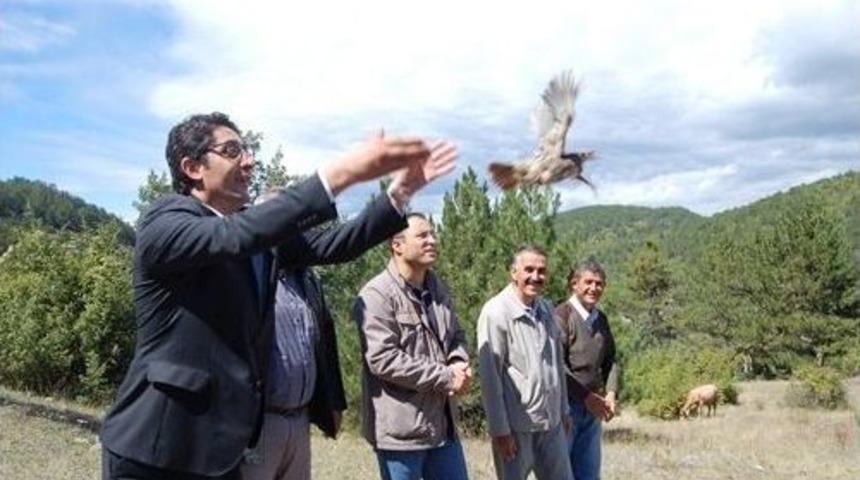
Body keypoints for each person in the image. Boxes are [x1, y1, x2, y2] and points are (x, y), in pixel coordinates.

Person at [100, 111, 457, 480]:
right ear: (192, 167)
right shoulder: (164, 222)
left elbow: (337, 244)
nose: (250, 160)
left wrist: (398, 195)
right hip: (156, 450)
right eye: (233, 150)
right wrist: (340, 175)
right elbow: (234, 236)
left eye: (248, 149)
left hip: (221, 454)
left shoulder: (260, 242)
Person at [240, 187, 413, 480]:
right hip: (258, 424)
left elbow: (323, 342)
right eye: (283, 219)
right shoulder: (247, 275)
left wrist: (333, 402)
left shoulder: (306, 279)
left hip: (299, 421)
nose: (294, 229)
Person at [353, 213, 472, 480]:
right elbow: (383, 359)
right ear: (397, 245)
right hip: (402, 434)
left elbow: (457, 335)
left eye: (433, 234)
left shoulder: (437, 288)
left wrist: (457, 362)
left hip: (443, 428)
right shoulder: (376, 295)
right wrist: (446, 377)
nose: (433, 240)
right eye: (423, 235)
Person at [477, 245, 572, 480]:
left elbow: (557, 366)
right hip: (516, 427)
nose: (535, 277)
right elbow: (490, 377)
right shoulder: (496, 312)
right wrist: (500, 430)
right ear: (513, 272)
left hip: (551, 425)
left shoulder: (547, 310)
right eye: (528, 269)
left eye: (541, 271)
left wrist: (563, 410)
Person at [555, 260, 619, 480]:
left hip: (593, 409)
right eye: (588, 282)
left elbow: (611, 360)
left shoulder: (601, 319)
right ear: (575, 284)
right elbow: (556, 366)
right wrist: (585, 397)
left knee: (588, 473)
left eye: (599, 284)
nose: (594, 288)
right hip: (565, 409)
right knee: (561, 473)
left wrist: (610, 393)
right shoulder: (561, 316)